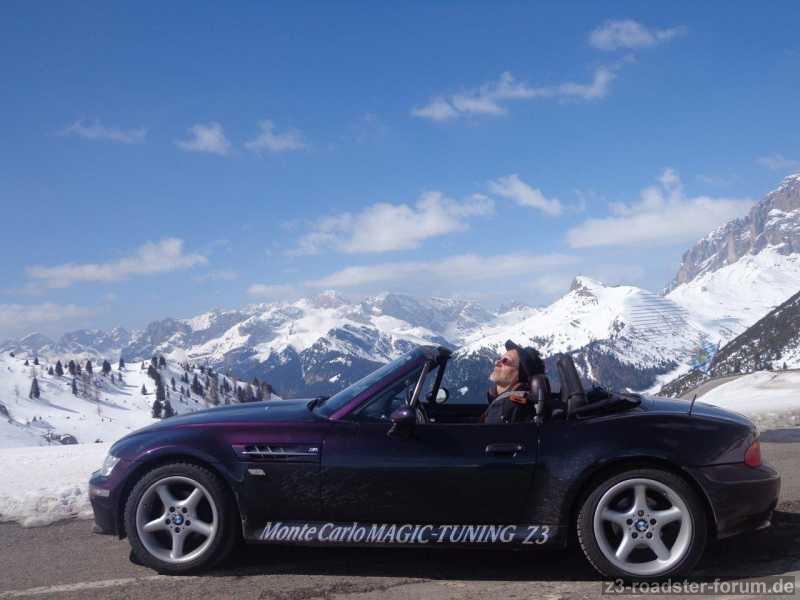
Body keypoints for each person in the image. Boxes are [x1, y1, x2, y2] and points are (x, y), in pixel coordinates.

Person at [483, 340, 544, 424]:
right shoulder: (516, 402)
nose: (497, 362)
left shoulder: (506, 406)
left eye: (505, 361)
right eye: (499, 359)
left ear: (520, 373)